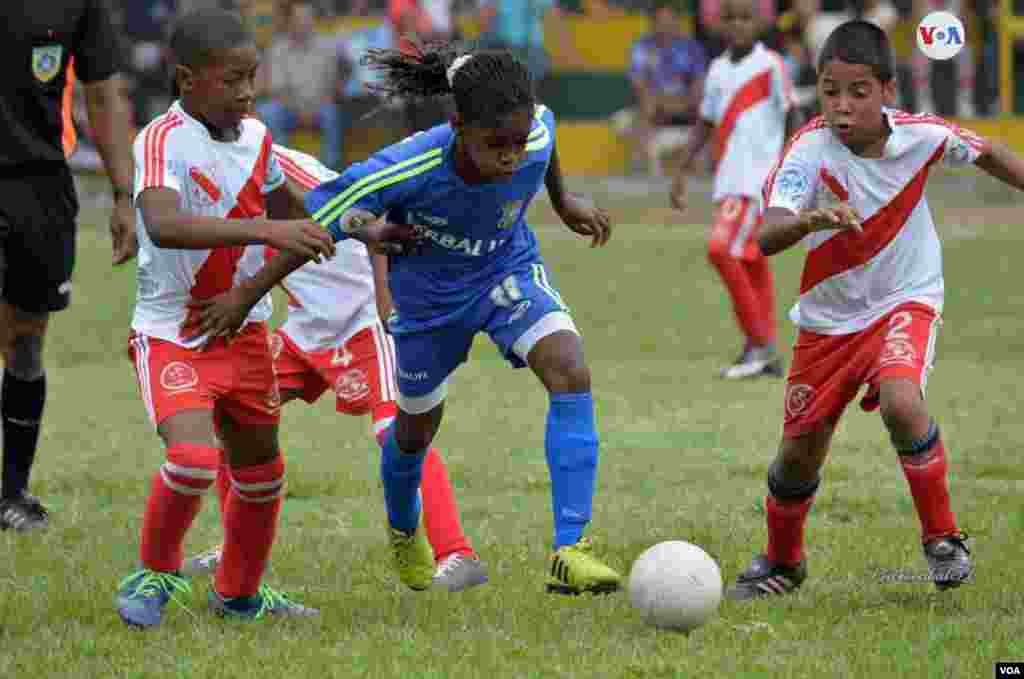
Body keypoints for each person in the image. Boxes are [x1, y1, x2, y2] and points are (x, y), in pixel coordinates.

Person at [189, 42, 622, 595]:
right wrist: (246, 294)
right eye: (496, 145)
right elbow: (314, 228)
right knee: (413, 431)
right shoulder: (405, 166)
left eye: (518, 142)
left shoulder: (531, 130)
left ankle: (571, 547)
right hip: (428, 303)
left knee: (570, 368)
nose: (512, 156)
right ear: (457, 125)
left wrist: (564, 204)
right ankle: (402, 525)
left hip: (503, 271)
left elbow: (545, 136)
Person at [727, 20, 1024, 599]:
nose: (842, 106)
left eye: (858, 92)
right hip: (828, 321)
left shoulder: (923, 136)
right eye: (831, 90)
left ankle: (942, 538)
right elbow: (766, 236)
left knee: (900, 398)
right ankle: (784, 563)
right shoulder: (807, 150)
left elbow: (991, 154)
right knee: (797, 454)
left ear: (887, 91)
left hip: (904, 299)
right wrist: (812, 218)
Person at [116, 8, 339, 627]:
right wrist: (267, 227)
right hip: (174, 332)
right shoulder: (159, 139)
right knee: (192, 461)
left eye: (251, 77)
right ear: (187, 80)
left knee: (261, 472)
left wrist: (366, 228)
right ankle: (155, 572)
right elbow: (162, 223)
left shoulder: (257, 138)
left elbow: (294, 218)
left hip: (242, 334)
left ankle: (239, 596)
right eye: (231, 80)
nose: (246, 93)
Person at [181, 144, 489, 592]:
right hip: (306, 326)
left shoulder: (277, 163)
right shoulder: (201, 170)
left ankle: (458, 554)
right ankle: (238, 549)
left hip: (363, 318)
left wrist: (387, 302)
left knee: (398, 433)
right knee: (234, 419)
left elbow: (366, 217)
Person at [0, 1, 137, 532]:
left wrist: (124, 193)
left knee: (27, 340)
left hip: (40, 185)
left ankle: (13, 493)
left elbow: (103, 94)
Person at [670, 0, 800, 379]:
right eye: (732, 19)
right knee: (751, 257)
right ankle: (764, 348)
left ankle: (759, 344)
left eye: (746, 18)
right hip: (729, 180)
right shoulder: (717, 70)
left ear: (759, 24)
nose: (739, 25)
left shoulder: (772, 65)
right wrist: (681, 170)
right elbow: (706, 122)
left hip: (758, 181)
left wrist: (794, 168)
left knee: (721, 249)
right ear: (720, 24)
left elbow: (794, 115)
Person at [256, 2, 347, 169]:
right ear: (289, 22)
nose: (304, 23)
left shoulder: (327, 46)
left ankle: (331, 169)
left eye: (307, 18)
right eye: (299, 19)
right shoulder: (278, 49)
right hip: (290, 108)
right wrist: (301, 112)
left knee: (332, 113)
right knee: (268, 111)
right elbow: (276, 90)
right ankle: (282, 168)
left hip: (321, 107)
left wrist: (322, 102)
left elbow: (336, 82)